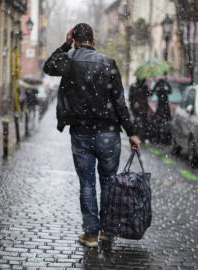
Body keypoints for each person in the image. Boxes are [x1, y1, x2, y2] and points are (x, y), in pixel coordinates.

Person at [43, 23, 141, 248]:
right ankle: (107, 230)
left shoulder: (68, 61)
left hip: (81, 132)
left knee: (87, 184)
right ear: (94, 40)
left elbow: (48, 67)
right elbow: (119, 102)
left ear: (75, 40)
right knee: (108, 182)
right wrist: (132, 133)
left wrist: (65, 45)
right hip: (108, 133)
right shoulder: (108, 62)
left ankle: (91, 235)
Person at [152, 78, 172, 144]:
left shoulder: (161, 91)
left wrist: (157, 85)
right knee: (161, 125)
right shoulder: (162, 91)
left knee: (162, 125)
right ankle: (161, 139)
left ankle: (161, 139)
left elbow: (153, 91)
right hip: (163, 109)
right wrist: (166, 83)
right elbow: (170, 90)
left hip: (163, 109)